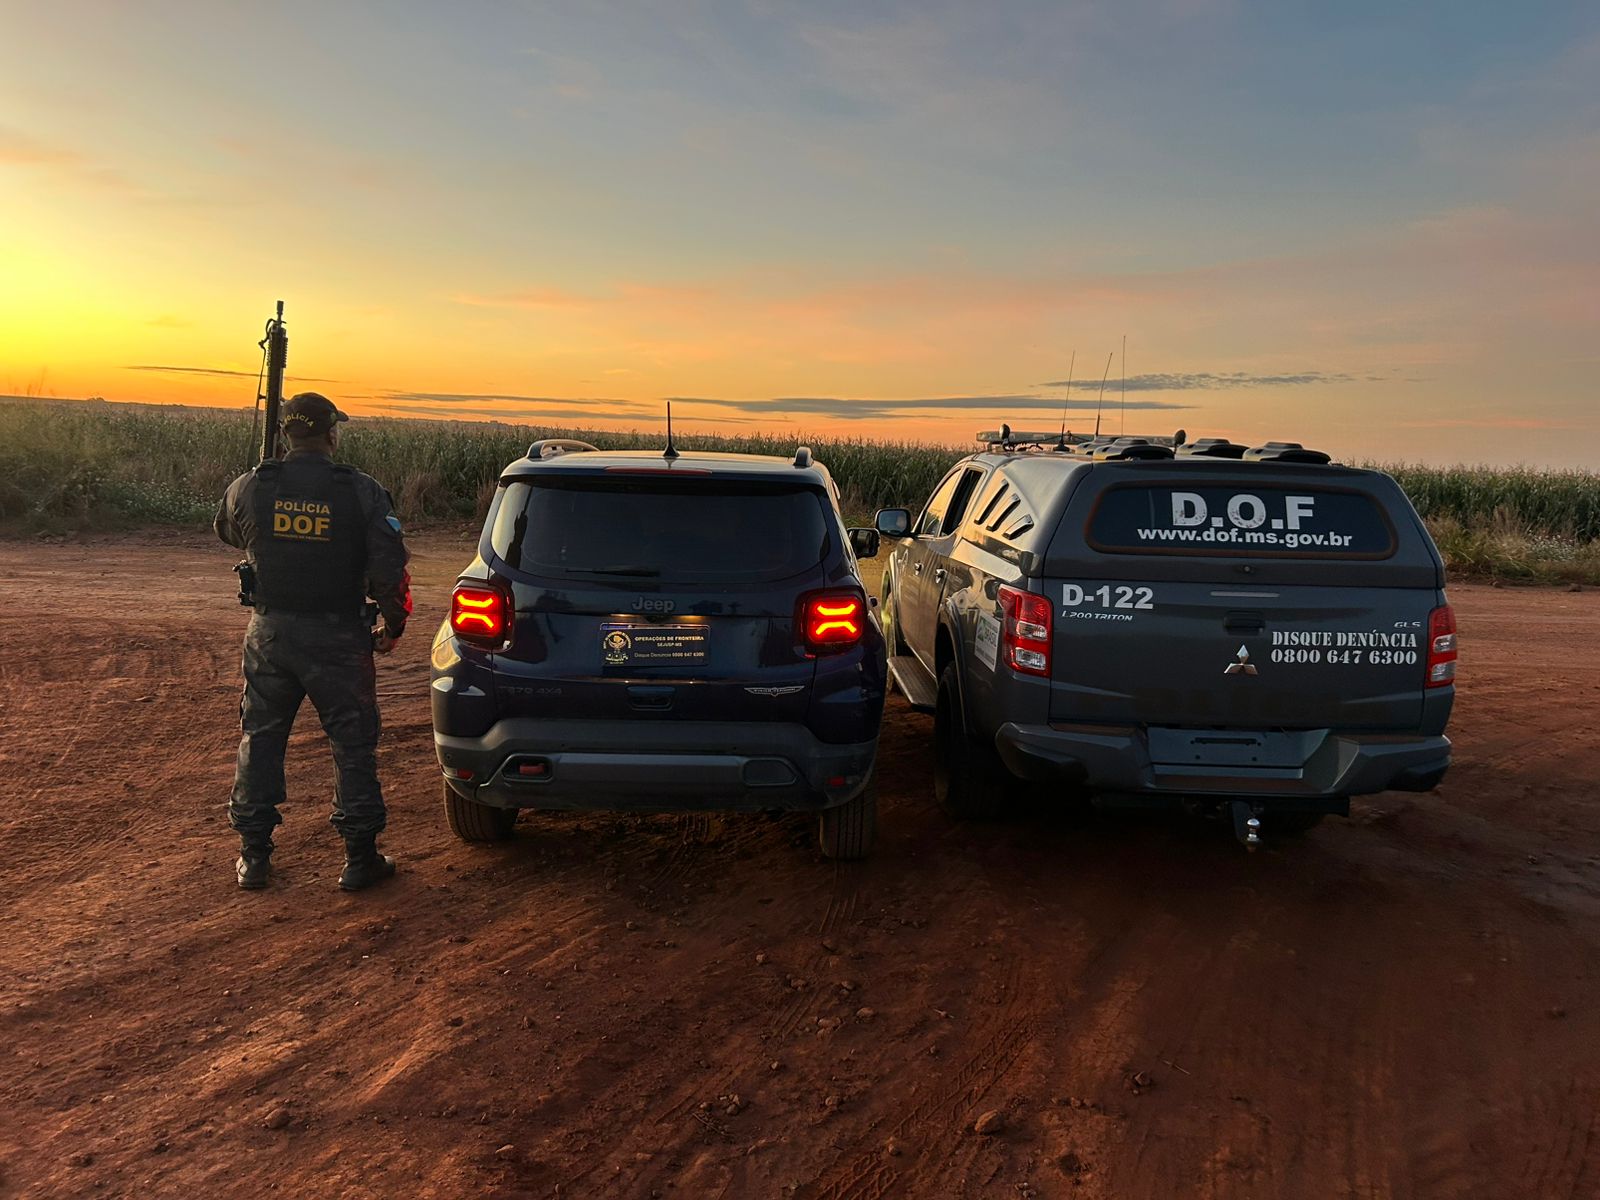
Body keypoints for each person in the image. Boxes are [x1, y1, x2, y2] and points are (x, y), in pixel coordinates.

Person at [215, 393, 413, 891]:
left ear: (285, 435)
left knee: (261, 738)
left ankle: (254, 856)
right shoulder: (361, 491)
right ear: (331, 434)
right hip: (339, 637)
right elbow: (389, 569)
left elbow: (228, 532)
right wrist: (393, 625)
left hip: (270, 633)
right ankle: (359, 858)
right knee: (353, 744)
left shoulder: (250, 485)